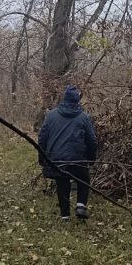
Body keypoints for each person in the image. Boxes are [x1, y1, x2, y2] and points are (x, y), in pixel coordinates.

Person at [37, 85, 99, 221]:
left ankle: (65, 216)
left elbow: (42, 138)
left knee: (62, 184)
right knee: (83, 179)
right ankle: (81, 206)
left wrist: (42, 158)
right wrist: (91, 158)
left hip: (57, 159)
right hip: (78, 159)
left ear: (64, 99)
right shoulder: (84, 117)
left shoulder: (51, 115)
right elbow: (92, 141)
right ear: (78, 101)